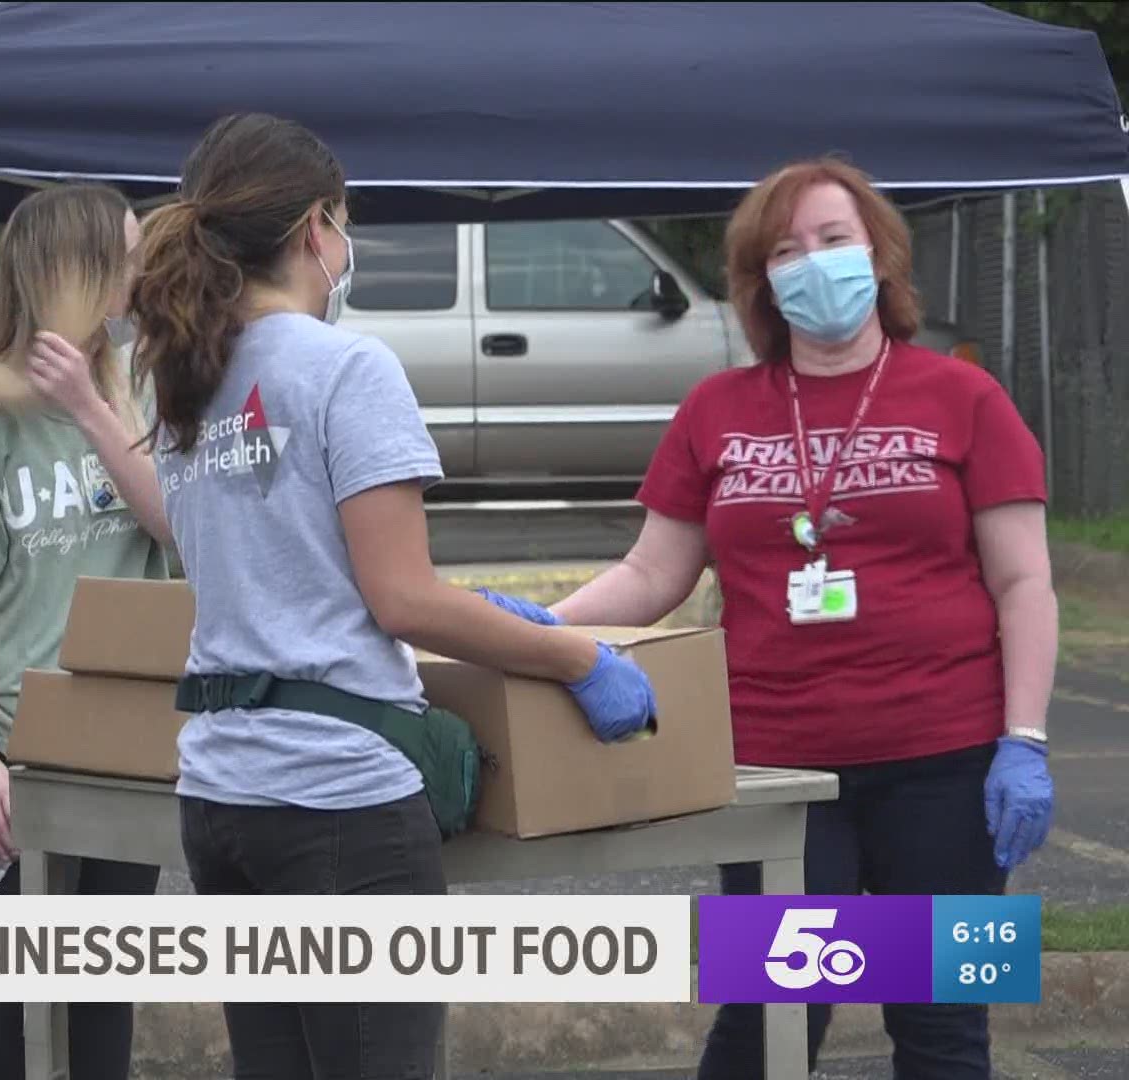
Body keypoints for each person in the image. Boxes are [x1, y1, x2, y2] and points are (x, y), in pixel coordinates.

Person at [128, 112, 657, 1080]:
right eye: (344, 222)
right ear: (315, 229)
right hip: (338, 800)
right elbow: (402, 600)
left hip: (219, 794)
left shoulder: (185, 376)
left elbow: (276, 567)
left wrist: (479, 612)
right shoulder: (347, 367)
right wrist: (578, 657)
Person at [540, 158, 1057, 1080]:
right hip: (778, 774)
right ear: (760, 281)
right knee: (771, 1017)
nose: (814, 264)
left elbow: (1024, 585)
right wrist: (536, 628)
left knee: (944, 1024)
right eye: (787, 250)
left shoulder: (965, 398)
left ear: (880, 258)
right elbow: (653, 572)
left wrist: (1025, 737)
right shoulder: (717, 408)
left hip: (949, 764)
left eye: (834, 240)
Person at [0, 183, 173, 1080]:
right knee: (25, 991)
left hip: (131, 727)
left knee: (103, 985)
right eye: (126, 259)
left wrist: (92, 409)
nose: (139, 278)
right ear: (74, 272)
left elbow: (173, 526)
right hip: (27, 739)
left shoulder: (136, 386)